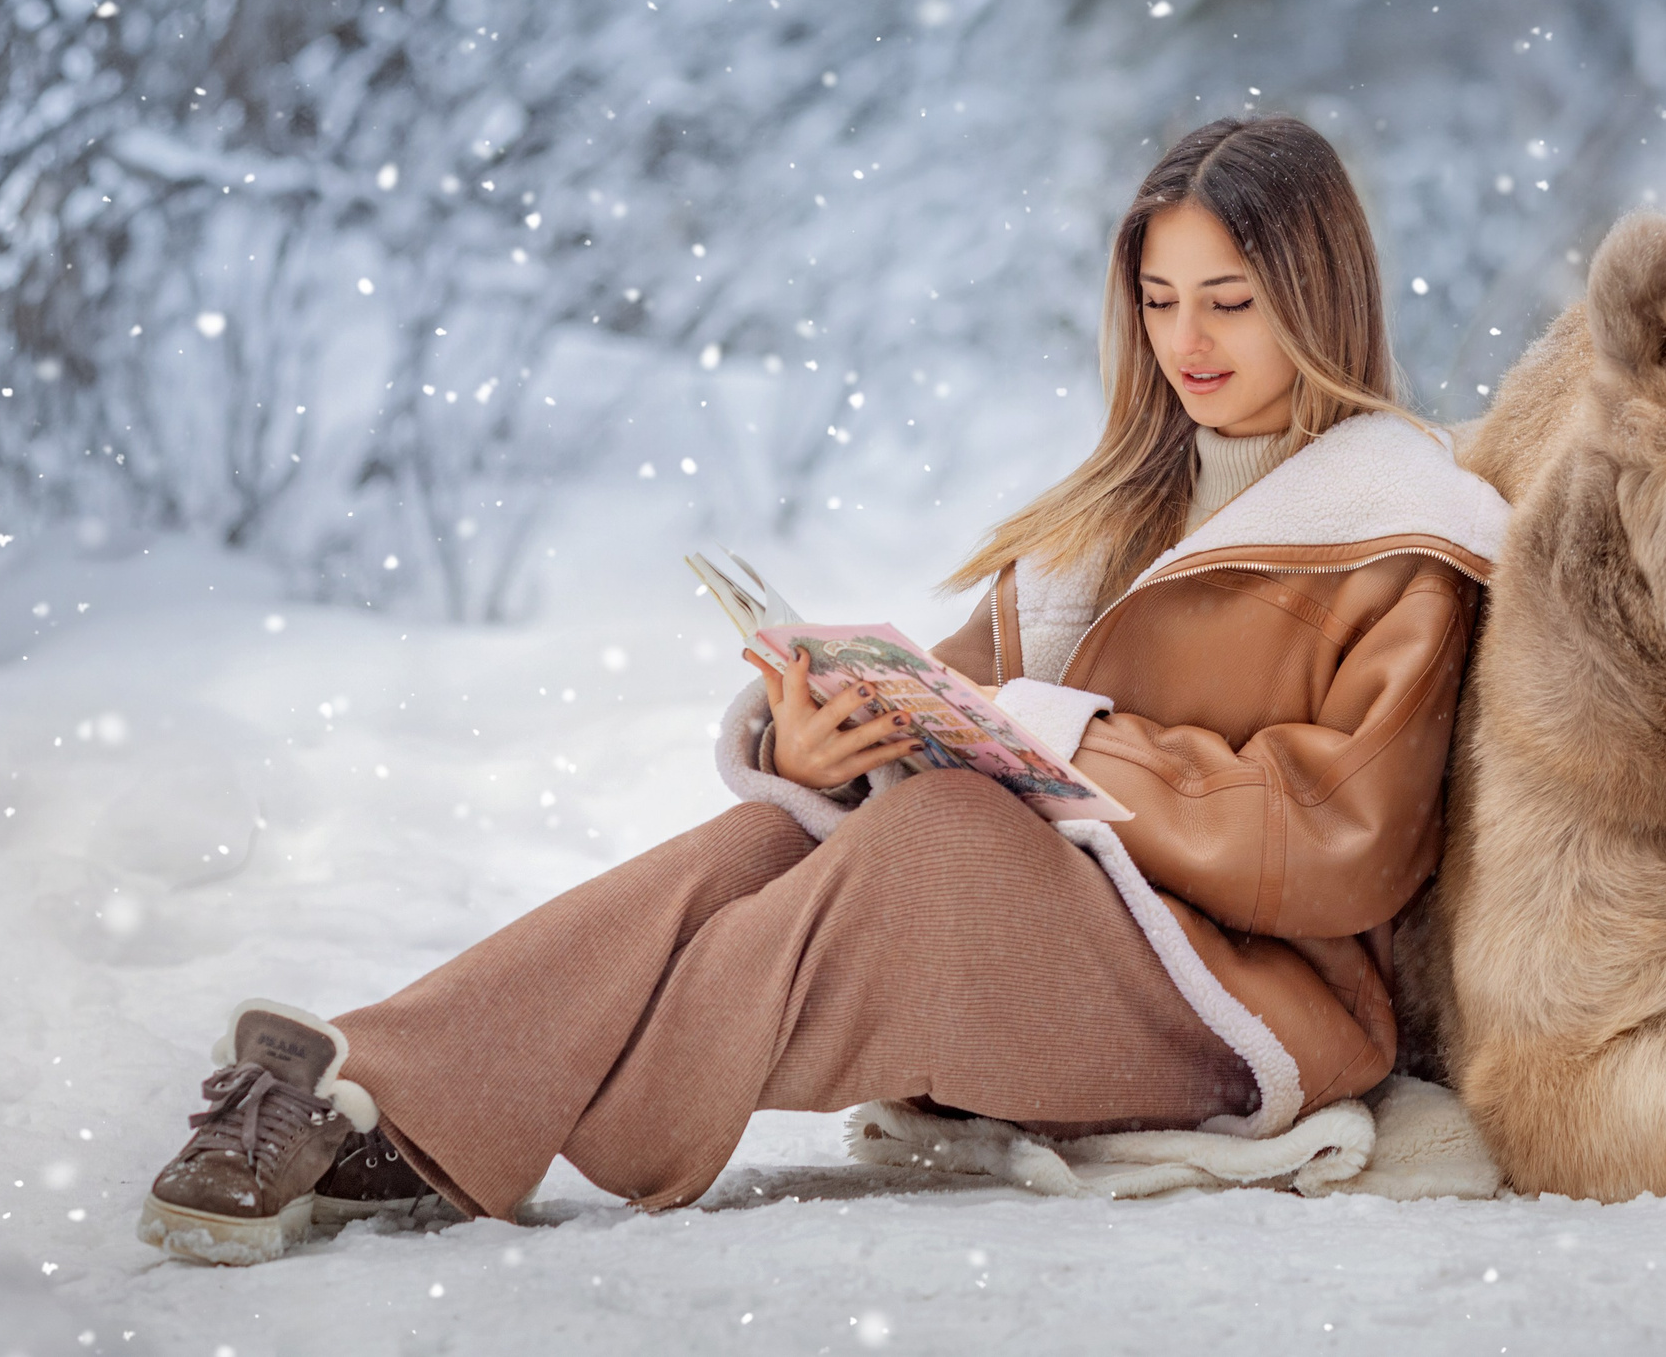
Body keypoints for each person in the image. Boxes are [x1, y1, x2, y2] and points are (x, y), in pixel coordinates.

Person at [138, 116, 1509, 1264]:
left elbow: (1343, 847)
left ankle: (476, 1110)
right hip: (1049, 950)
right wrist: (831, 741)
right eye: (1159, 302)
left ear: (1317, 299)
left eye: (1230, 303)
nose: (1187, 344)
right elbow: (962, 707)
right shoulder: (1109, 523)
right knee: (776, 832)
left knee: (942, 838)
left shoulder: (1400, 533)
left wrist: (1070, 741)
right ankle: (366, 1085)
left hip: (1244, 1009)